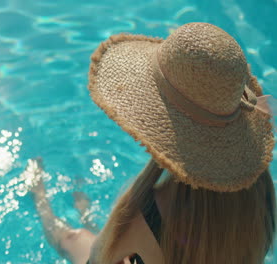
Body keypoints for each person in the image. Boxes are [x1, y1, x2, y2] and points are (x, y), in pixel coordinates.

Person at [27, 22, 276, 264]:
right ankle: (89, 218)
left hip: (119, 248)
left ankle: (39, 193)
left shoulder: (146, 212)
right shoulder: (260, 194)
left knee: (74, 239)